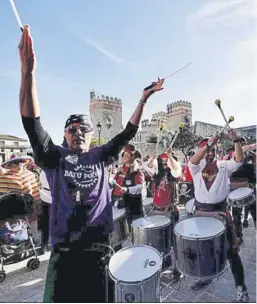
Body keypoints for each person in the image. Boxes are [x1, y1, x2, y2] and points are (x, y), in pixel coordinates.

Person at [18, 25, 164, 303]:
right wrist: (28, 72)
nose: (78, 132)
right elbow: (31, 122)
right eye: (72, 129)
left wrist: (143, 99)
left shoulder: (101, 155)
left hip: (99, 249)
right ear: (64, 134)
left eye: (83, 129)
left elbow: (128, 133)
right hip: (65, 253)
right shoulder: (53, 155)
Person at [188, 133, 249, 302]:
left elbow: (238, 159)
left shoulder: (223, 166)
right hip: (201, 214)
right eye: (206, 150)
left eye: (212, 150)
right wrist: (208, 144)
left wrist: (236, 140)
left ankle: (241, 287)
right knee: (204, 250)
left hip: (220, 214)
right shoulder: (195, 167)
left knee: (231, 253)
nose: (209, 153)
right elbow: (193, 159)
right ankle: (206, 276)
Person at [0, 156, 42, 246]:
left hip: (29, 205)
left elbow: (35, 191)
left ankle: (34, 240)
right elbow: (2, 195)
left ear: (24, 162)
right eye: (15, 162)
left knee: (32, 222)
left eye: (21, 161)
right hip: (12, 207)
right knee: (14, 225)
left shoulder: (30, 175)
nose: (19, 164)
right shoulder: (5, 177)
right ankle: (12, 242)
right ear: (10, 164)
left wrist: (38, 203)